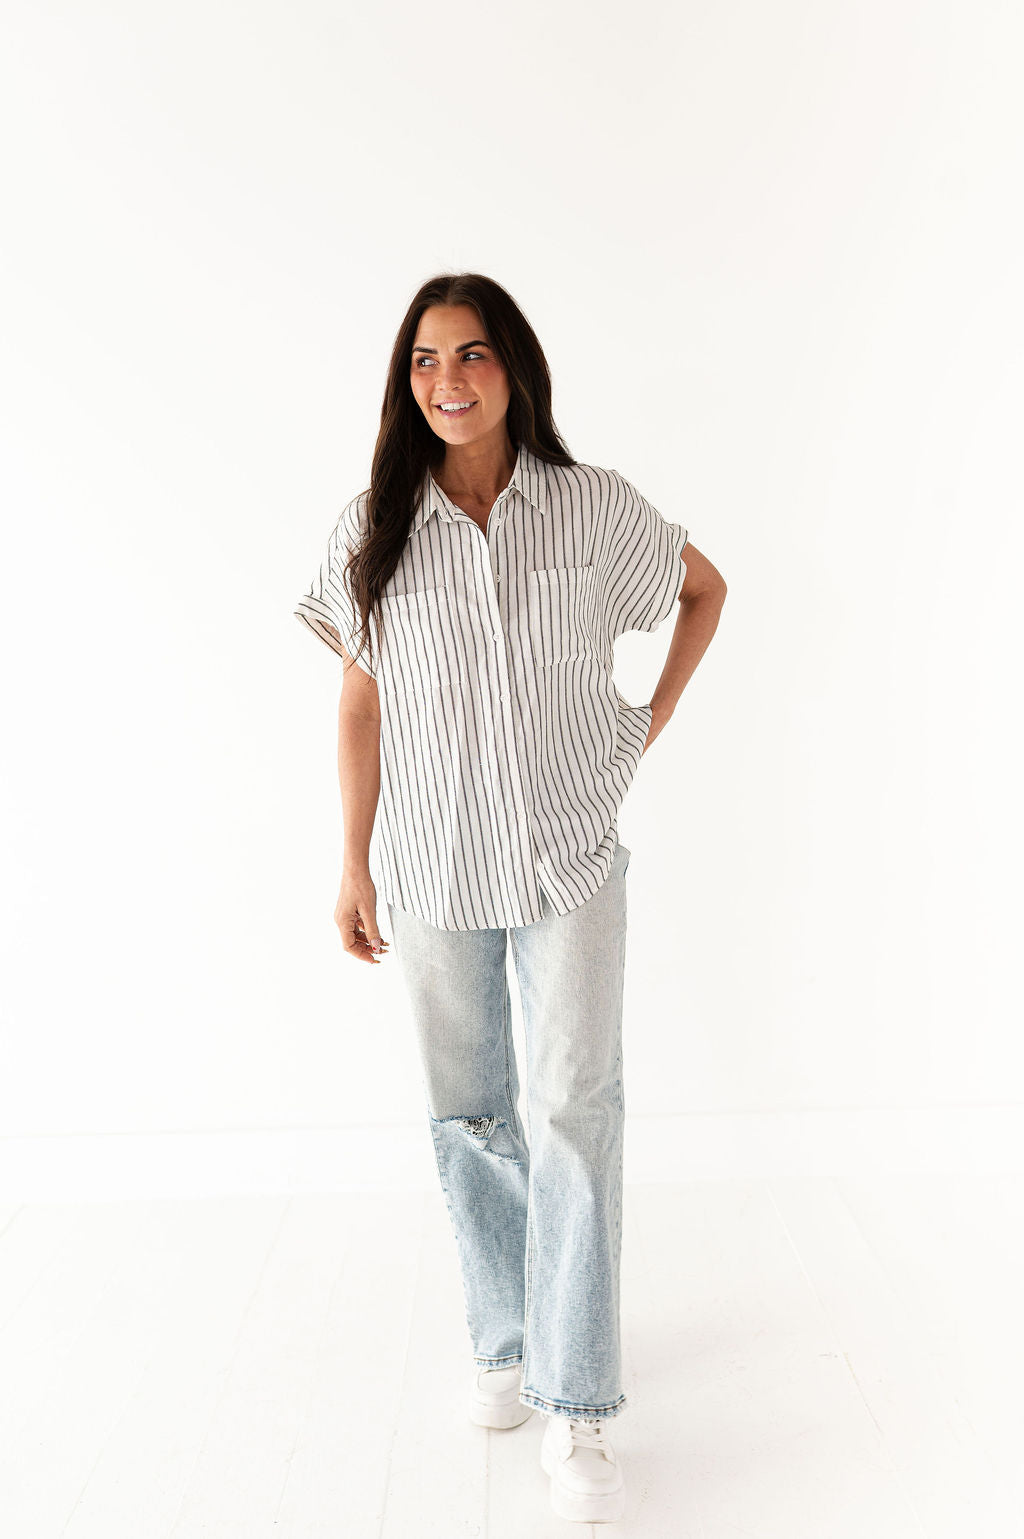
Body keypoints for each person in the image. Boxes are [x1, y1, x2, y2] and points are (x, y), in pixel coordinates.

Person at [294, 272, 727, 1523]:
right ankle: (505, 1343)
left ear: (514, 368)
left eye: (472, 354)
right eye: (426, 360)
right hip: (434, 866)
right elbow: (362, 699)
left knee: (574, 1112)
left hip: (568, 857)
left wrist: (644, 722)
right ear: (407, 383)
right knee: (471, 1116)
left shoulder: (592, 507)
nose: (449, 381)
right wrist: (352, 861)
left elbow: (703, 589)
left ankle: (578, 1405)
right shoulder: (370, 528)